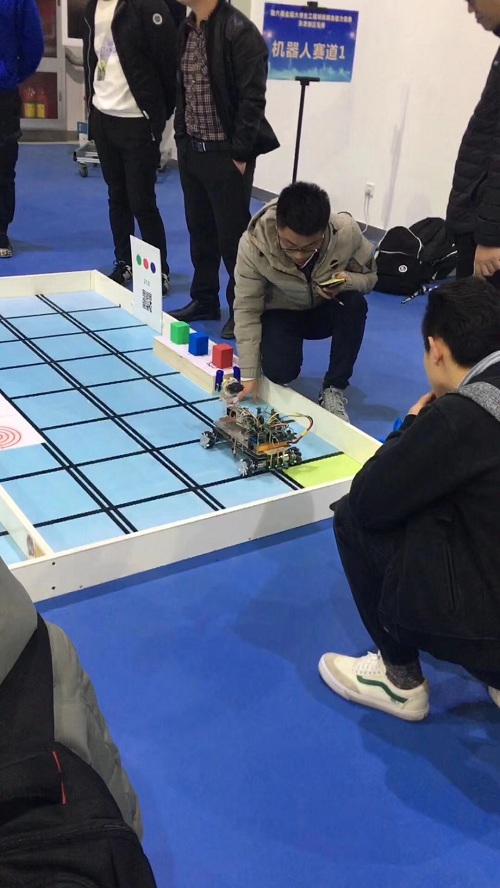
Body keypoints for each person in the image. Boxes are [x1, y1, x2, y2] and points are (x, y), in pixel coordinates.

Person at [319, 277, 500, 720]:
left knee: (351, 517)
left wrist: (412, 426)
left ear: (436, 349)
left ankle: (399, 681)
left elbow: (369, 499)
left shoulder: (461, 414)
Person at [170, 0, 279, 340]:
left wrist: (240, 153)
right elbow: (183, 90)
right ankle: (204, 299)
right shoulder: (186, 29)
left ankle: (241, 309)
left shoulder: (240, 32)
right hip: (193, 152)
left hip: (226, 157)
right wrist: (181, 140)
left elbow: (252, 99)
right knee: (200, 232)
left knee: (233, 241)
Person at [232, 182, 377, 422]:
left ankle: (334, 387)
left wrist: (346, 281)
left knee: (354, 304)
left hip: (324, 308)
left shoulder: (346, 232)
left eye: (310, 247)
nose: (299, 255)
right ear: (278, 227)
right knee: (279, 372)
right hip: (281, 311)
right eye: (289, 246)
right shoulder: (253, 245)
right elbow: (247, 308)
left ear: (324, 231)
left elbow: (371, 278)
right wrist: (249, 375)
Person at [83, 0, 177, 293]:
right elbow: (94, 57)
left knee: (142, 201)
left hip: (137, 121)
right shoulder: (93, 7)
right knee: (117, 196)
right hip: (103, 117)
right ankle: (124, 261)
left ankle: (158, 270)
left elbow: (168, 62)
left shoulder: (147, 6)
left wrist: (157, 114)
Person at [447, 0, 500, 286]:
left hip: (488, 234)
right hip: (477, 220)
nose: (471, 9)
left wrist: (491, 238)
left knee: (475, 312)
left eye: (473, 0)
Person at [0, 0, 44, 259]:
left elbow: (33, 43)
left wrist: (10, 75)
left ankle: (0, 230)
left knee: (3, 165)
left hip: (3, 93)